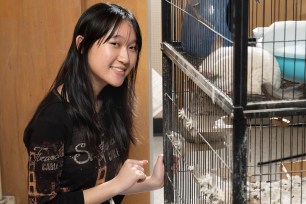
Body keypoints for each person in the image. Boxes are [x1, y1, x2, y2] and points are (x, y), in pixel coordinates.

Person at [23, 2, 164, 204]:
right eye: (115, 44)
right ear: (81, 45)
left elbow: (104, 188)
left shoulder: (111, 103)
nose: (125, 57)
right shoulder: (54, 117)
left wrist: (153, 182)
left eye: (132, 47)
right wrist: (116, 184)